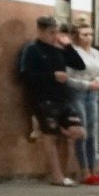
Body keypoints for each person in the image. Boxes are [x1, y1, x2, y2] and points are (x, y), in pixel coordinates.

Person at [18, 15, 86, 186]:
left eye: (56, 32)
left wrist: (68, 46)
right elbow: (25, 75)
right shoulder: (32, 50)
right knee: (50, 136)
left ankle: (64, 173)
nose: (55, 36)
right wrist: (52, 76)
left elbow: (80, 65)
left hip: (63, 98)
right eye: (51, 32)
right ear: (40, 31)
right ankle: (57, 176)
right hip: (44, 99)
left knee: (77, 132)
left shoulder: (58, 49)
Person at [66, 20, 99, 184]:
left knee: (91, 130)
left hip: (92, 92)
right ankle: (84, 170)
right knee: (81, 130)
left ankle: (93, 168)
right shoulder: (73, 52)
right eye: (84, 35)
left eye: (90, 34)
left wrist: (98, 82)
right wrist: (87, 84)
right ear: (77, 35)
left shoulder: (96, 53)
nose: (88, 38)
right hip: (78, 92)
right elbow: (68, 77)